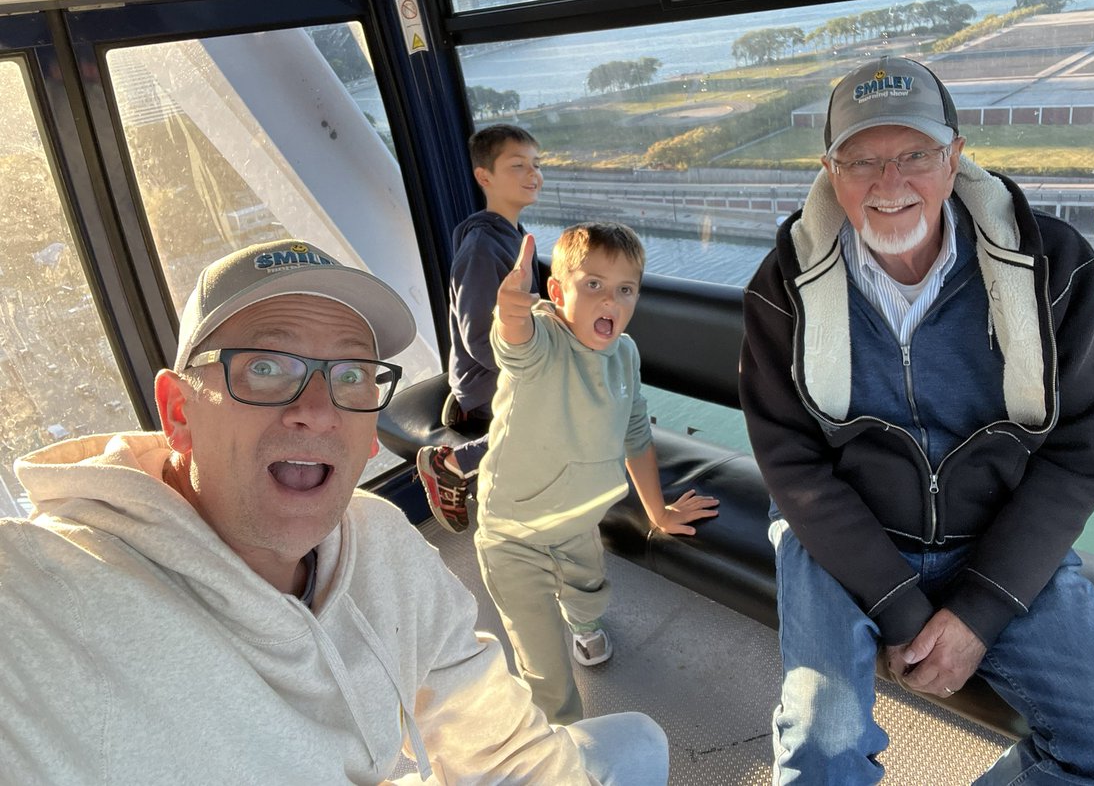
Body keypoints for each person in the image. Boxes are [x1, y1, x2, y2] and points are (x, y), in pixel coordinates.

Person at [0, 238, 669, 785]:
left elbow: (502, 749)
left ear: (369, 430)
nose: (317, 409)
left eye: (351, 375)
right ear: (180, 413)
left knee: (637, 740)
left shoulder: (380, 537)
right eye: (265, 367)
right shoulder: (46, 597)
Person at [739, 57, 1094, 784]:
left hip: (997, 533)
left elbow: (1076, 454)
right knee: (821, 749)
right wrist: (897, 605)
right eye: (862, 160)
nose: (890, 184)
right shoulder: (784, 288)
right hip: (843, 538)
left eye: (914, 155)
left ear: (953, 157)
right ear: (830, 169)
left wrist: (980, 611)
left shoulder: (1052, 267)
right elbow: (789, 462)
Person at [476, 222, 719, 725]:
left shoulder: (624, 355)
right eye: (594, 285)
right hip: (514, 533)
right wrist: (509, 316)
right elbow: (515, 345)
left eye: (624, 290)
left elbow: (636, 434)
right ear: (557, 291)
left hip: (581, 517)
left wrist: (658, 512)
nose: (610, 301)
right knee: (546, 672)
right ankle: (561, 750)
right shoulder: (543, 341)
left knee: (588, 589)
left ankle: (584, 627)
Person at [419, 123, 543, 534]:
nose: (533, 175)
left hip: (510, 367)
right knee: (562, 413)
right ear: (483, 176)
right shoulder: (482, 248)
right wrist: (541, 364)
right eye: (517, 166)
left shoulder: (515, 237)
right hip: (487, 375)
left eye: (536, 165)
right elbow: (477, 339)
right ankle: (451, 464)